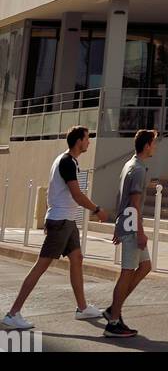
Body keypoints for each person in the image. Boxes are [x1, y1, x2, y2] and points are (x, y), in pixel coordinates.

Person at [2, 125, 109, 330]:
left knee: (77, 258)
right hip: (60, 221)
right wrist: (97, 209)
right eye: (87, 138)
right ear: (79, 141)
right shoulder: (67, 162)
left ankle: (82, 308)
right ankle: (13, 313)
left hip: (66, 220)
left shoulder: (68, 160)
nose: (89, 142)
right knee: (41, 266)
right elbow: (77, 195)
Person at [103, 128, 158, 339]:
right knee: (127, 271)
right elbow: (134, 203)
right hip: (132, 226)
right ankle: (113, 322)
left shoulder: (130, 164)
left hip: (127, 224)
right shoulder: (137, 170)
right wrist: (140, 233)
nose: (155, 146)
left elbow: (121, 197)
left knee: (145, 266)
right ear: (146, 146)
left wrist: (119, 224)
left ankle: (113, 309)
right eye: (154, 143)